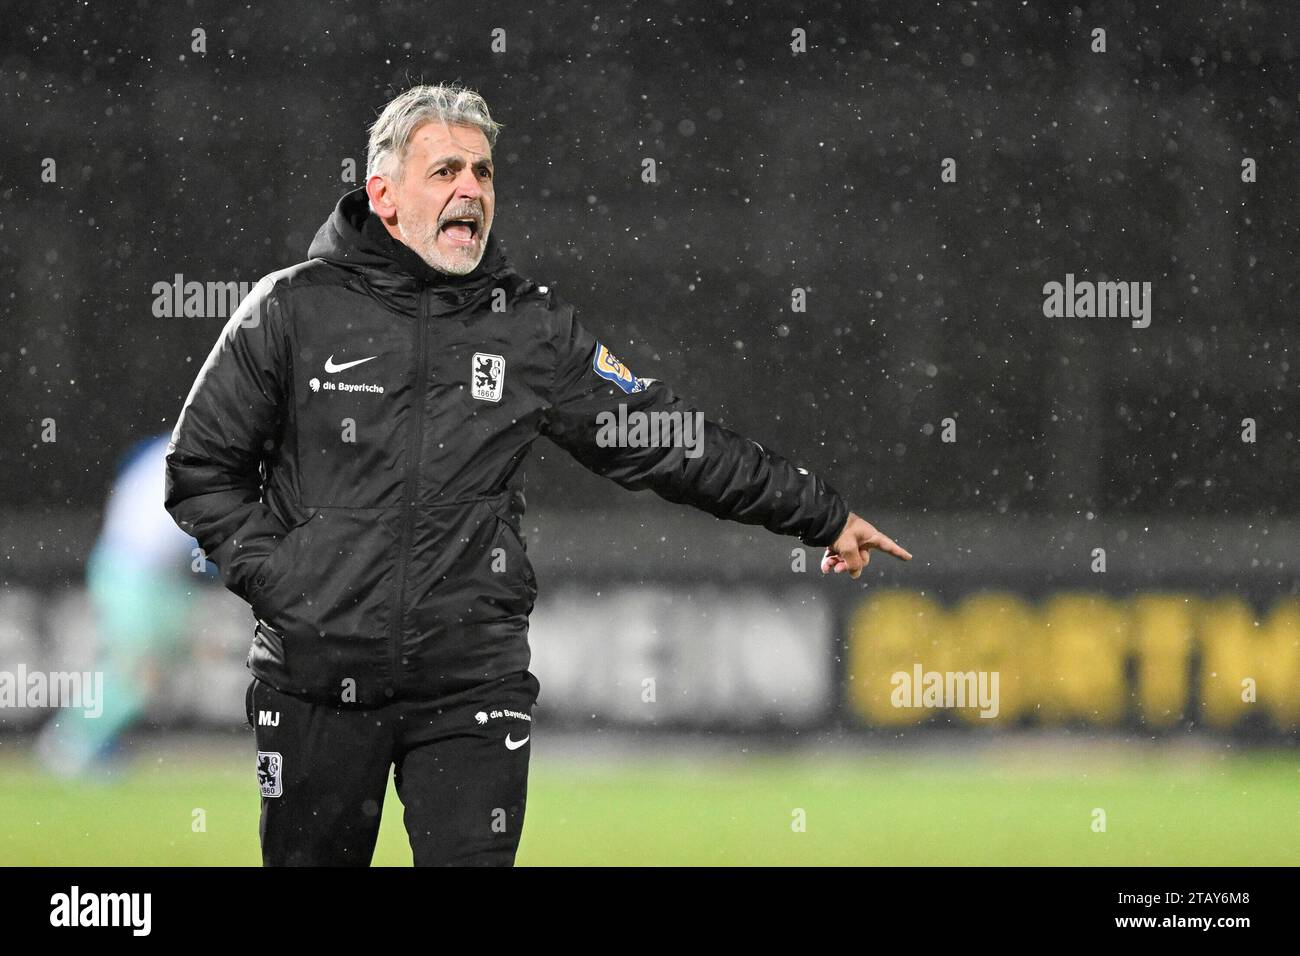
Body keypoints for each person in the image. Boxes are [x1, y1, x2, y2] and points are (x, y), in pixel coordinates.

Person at [164, 83, 911, 866]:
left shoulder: (529, 328)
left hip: (469, 685)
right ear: (383, 195)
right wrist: (284, 579)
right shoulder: (289, 309)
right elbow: (200, 470)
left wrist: (818, 513)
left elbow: (664, 439)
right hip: (315, 681)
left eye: (483, 173)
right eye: (446, 170)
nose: (471, 190)